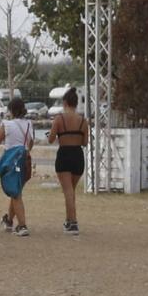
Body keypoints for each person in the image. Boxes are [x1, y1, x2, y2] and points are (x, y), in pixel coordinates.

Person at [0, 96, 35, 236]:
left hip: (11, 162)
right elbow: (31, 143)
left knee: (16, 195)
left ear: (11, 110)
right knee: (16, 191)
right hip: (24, 161)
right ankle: (8, 221)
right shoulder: (28, 124)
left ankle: (22, 225)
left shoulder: (6, 124)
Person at [47, 89, 88, 234]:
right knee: (70, 191)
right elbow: (85, 142)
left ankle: (73, 223)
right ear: (76, 104)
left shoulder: (59, 119)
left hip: (64, 154)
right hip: (78, 155)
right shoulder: (83, 121)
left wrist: (59, 135)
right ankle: (69, 220)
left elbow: (51, 139)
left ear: (64, 103)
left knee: (68, 191)